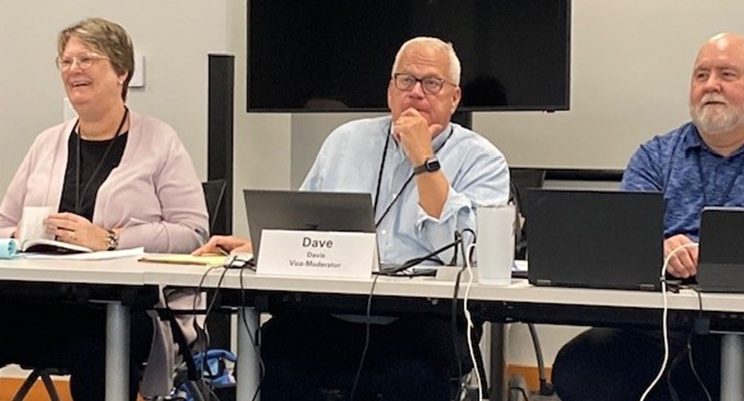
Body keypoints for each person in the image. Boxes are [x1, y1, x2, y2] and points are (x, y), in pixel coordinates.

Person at [196, 36, 509, 400]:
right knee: (276, 353)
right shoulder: (346, 141)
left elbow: (464, 256)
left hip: (423, 320)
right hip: (333, 310)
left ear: (454, 98)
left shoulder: (482, 160)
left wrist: (425, 159)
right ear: (391, 90)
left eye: (432, 83)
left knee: (409, 379)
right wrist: (261, 245)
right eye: (405, 81)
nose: (416, 93)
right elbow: (307, 228)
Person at [551, 33, 744, 401]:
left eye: (727, 75)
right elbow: (625, 243)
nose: (711, 85)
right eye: (701, 75)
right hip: (660, 328)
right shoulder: (655, 156)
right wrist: (661, 249)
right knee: (580, 369)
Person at [0, 17, 209, 401]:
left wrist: (112, 239)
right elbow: (3, 226)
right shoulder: (46, 143)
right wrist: (20, 236)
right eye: (66, 61)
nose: (73, 69)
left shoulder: (160, 142)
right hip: (42, 301)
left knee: (95, 341)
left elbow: (193, 233)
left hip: (127, 309)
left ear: (121, 71)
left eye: (87, 59)